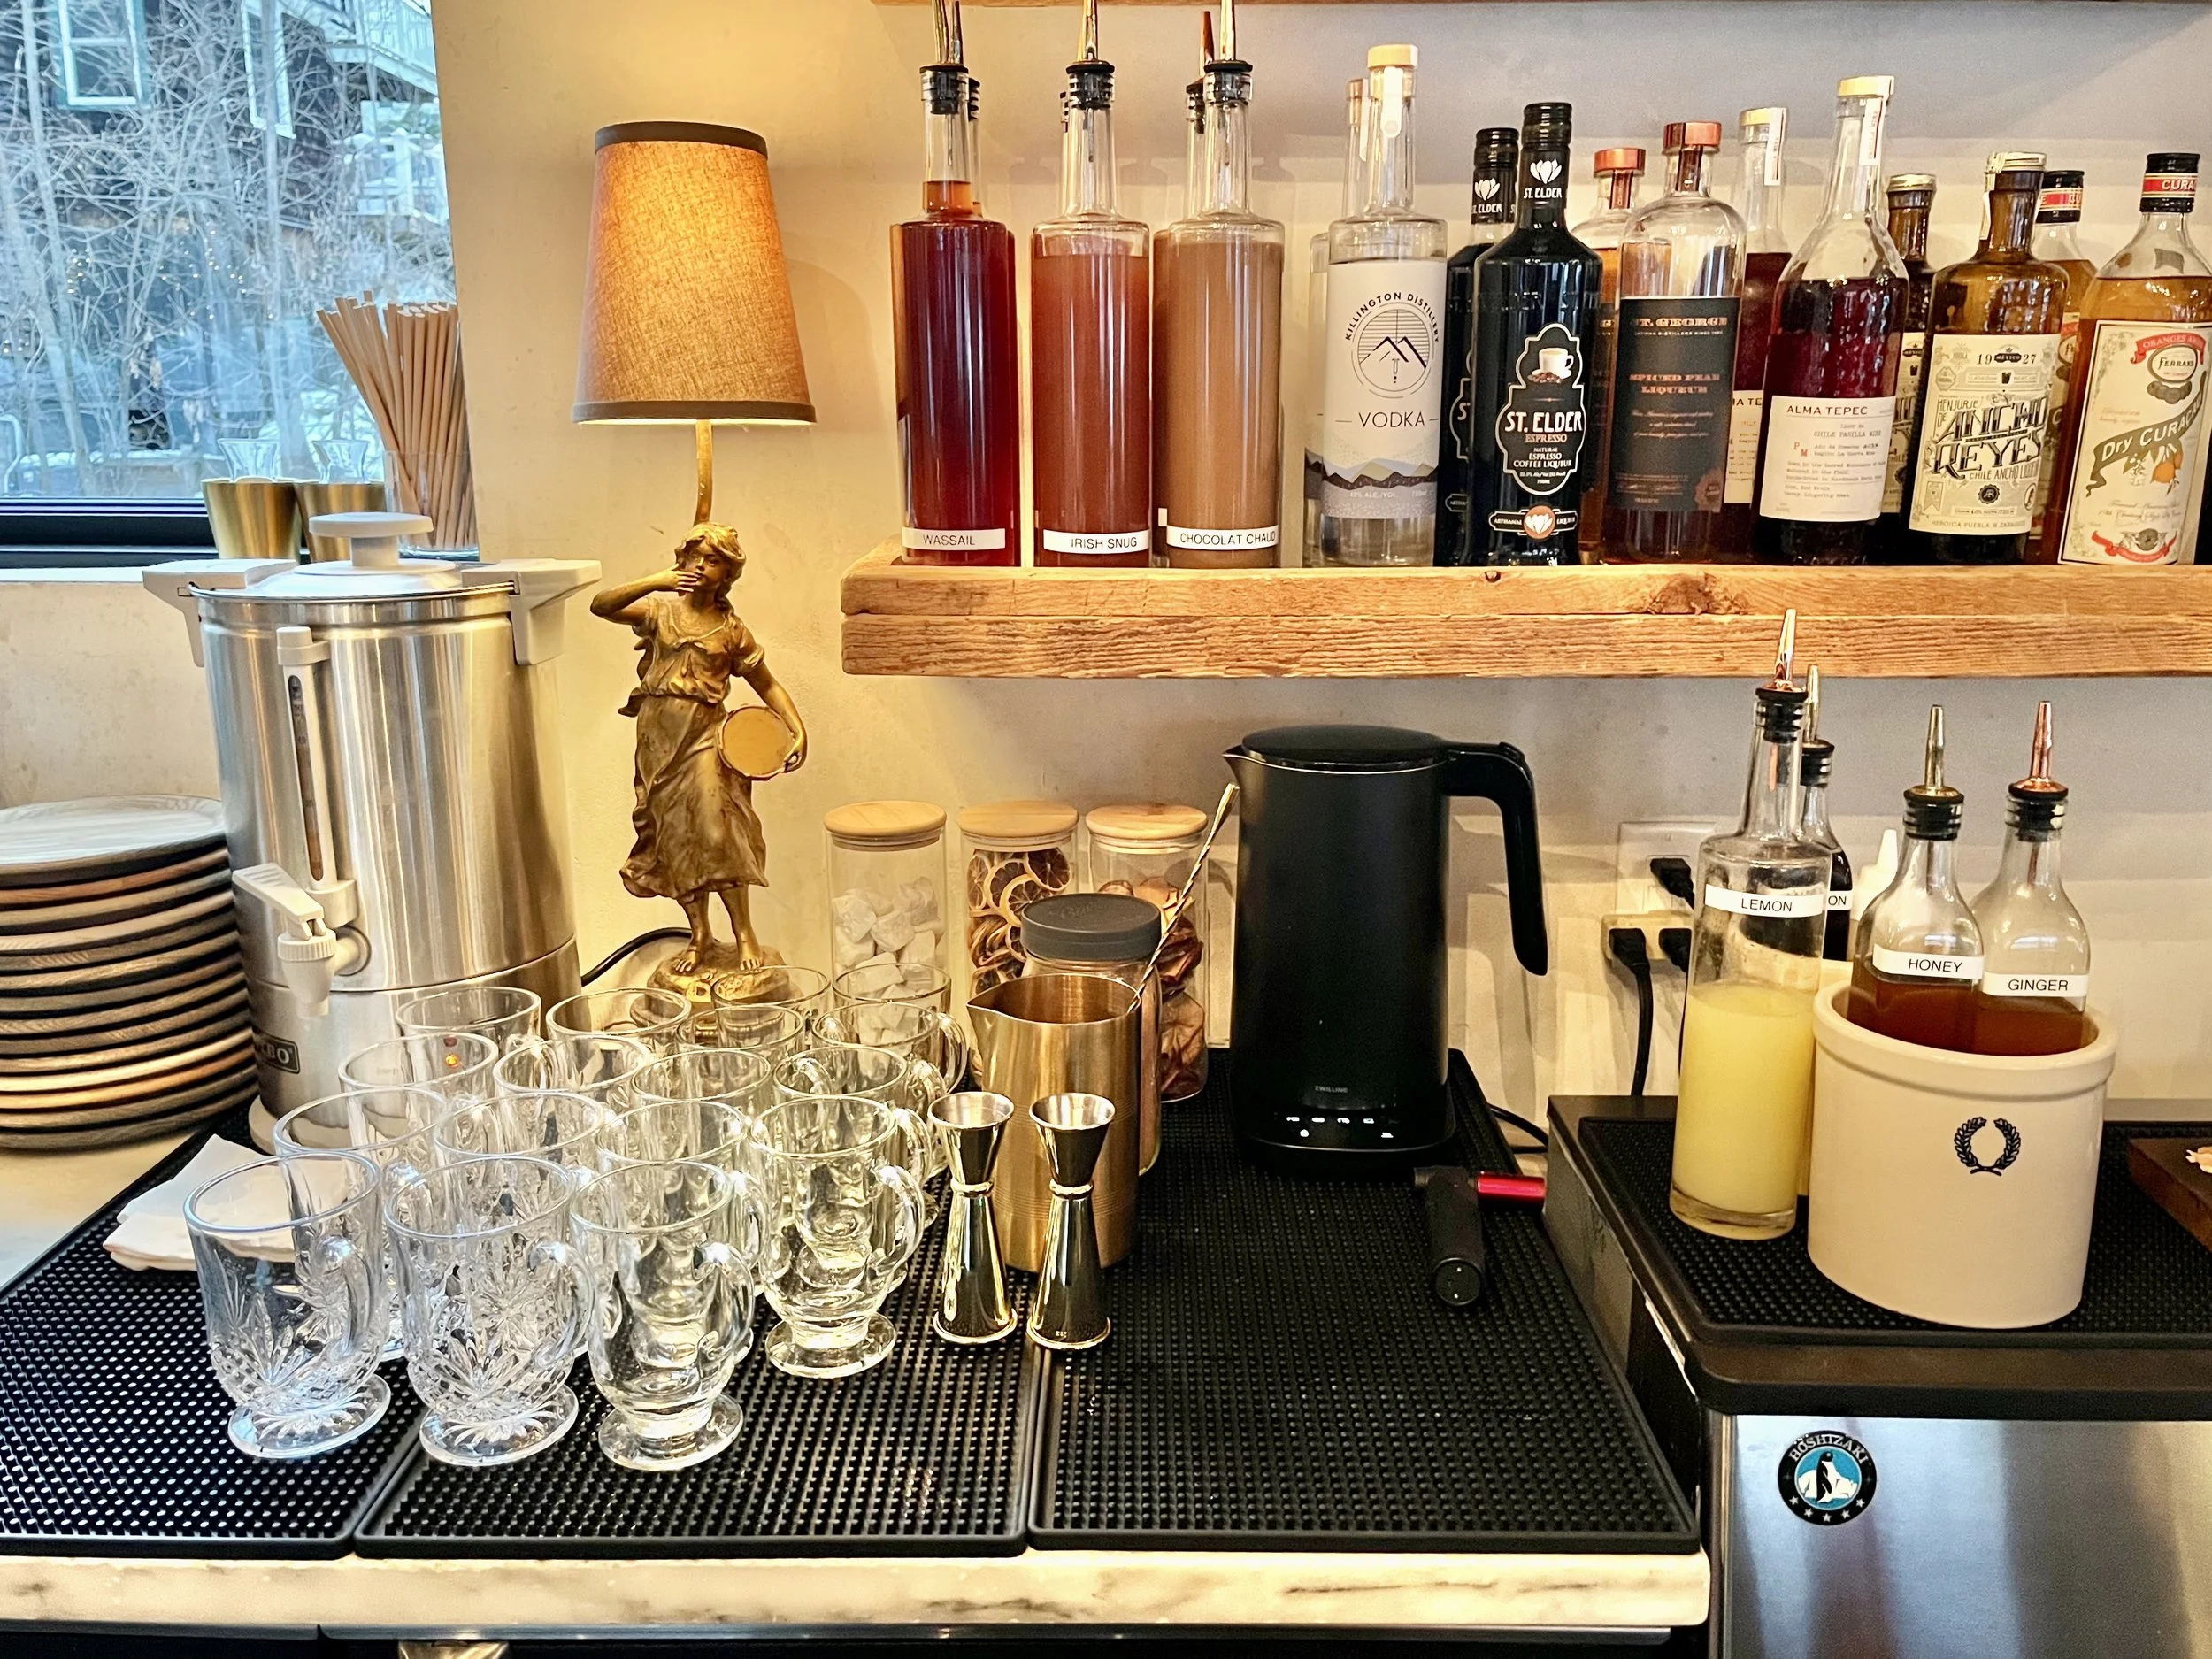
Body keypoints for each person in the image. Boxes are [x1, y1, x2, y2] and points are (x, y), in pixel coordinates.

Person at [589, 522, 807, 978]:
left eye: (713, 562)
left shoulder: (730, 630)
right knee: (674, 837)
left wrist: (796, 726)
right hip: (657, 737)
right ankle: (700, 935)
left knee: (716, 831)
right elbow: (601, 605)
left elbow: (765, 682)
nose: (701, 568)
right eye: (695, 559)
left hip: (705, 736)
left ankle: (744, 932)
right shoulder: (659, 612)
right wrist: (657, 579)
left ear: (727, 574)